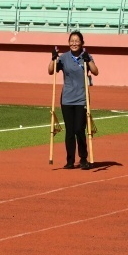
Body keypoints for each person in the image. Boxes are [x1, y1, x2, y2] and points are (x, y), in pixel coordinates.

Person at [48, 31, 99, 169]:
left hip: (82, 99)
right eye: (72, 41)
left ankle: (83, 158)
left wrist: (88, 60)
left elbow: (95, 71)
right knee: (70, 131)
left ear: (82, 43)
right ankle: (70, 160)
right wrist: (53, 58)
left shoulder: (86, 56)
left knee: (79, 129)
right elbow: (51, 71)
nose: (74, 43)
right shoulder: (64, 58)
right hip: (67, 99)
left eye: (77, 41)